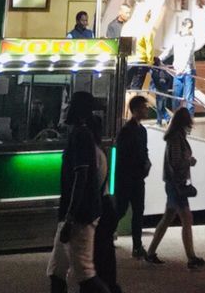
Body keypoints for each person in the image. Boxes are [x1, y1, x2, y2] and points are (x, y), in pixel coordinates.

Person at [46, 89, 108, 293]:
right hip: (74, 214)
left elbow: (81, 178)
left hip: (79, 216)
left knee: (85, 273)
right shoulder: (82, 135)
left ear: (79, 111)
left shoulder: (81, 136)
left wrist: (70, 218)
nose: (65, 108)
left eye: (70, 104)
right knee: (56, 270)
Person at [145, 108, 205, 268]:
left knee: (168, 218)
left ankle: (151, 252)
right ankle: (191, 257)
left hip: (173, 184)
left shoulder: (174, 137)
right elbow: (177, 162)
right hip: (176, 184)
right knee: (187, 218)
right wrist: (190, 162)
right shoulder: (177, 139)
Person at [114, 95, 151, 260]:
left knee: (138, 211)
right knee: (121, 209)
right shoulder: (127, 131)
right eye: (144, 107)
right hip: (128, 178)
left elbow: (144, 151)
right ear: (136, 110)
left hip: (137, 178)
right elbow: (124, 156)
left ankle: (137, 245)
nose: (146, 109)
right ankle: (106, 235)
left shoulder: (141, 130)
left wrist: (146, 163)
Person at [90, 114, 121, 293]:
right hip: (106, 206)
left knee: (94, 262)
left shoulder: (92, 153)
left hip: (99, 208)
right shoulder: (100, 151)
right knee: (104, 256)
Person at [127, 11, 169, 127]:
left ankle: (127, 115)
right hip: (141, 62)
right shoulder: (146, 29)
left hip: (130, 61)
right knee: (136, 90)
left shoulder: (132, 28)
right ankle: (132, 116)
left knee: (129, 89)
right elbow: (149, 48)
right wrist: (150, 62)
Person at [160, 17, 196, 113]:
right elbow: (168, 50)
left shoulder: (191, 38)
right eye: (189, 27)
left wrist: (182, 68)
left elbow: (188, 55)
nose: (190, 29)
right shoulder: (176, 37)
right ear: (183, 27)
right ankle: (176, 119)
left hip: (188, 71)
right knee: (176, 97)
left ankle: (189, 120)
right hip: (178, 71)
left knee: (189, 98)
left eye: (191, 27)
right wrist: (159, 59)